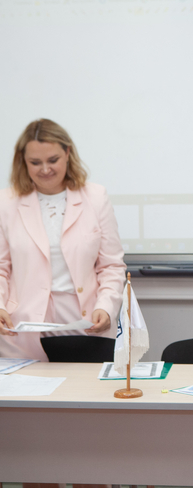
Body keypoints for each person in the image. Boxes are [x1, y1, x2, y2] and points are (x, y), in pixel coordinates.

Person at [0, 119, 126, 361]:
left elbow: (111, 266)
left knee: (84, 393)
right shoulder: (6, 202)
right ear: (22, 161)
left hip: (85, 320)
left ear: (68, 153)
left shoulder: (96, 197)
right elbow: (2, 269)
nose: (45, 169)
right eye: (35, 162)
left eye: (53, 160)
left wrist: (106, 307)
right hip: (23, 325)